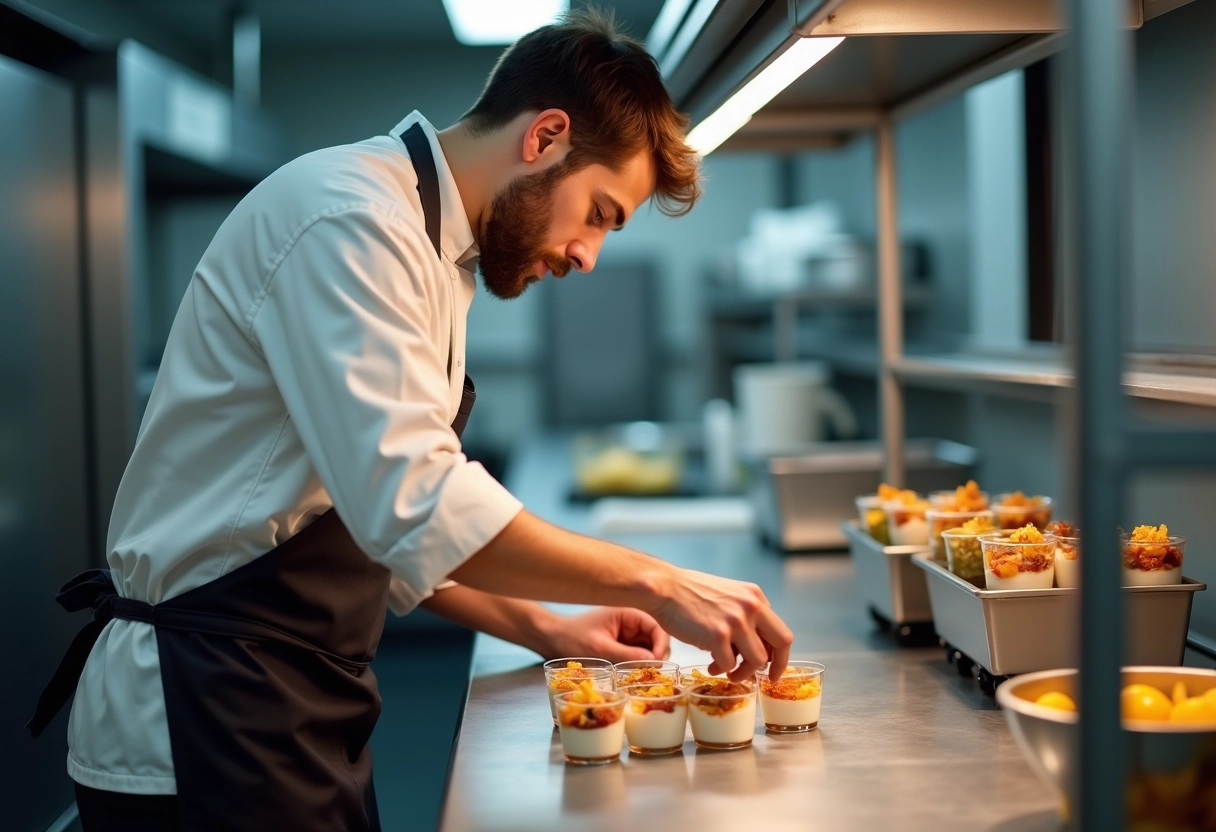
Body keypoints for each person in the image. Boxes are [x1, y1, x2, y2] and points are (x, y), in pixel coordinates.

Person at [29, 10, 793, 831]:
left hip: (283, 702)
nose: (587, 256)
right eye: (599, 213)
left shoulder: (432, 251)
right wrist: (662, 583)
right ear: (545, 137)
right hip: (199, 715)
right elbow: (414, 501)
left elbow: (370, 528)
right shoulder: (352, 220)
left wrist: (543, 626)